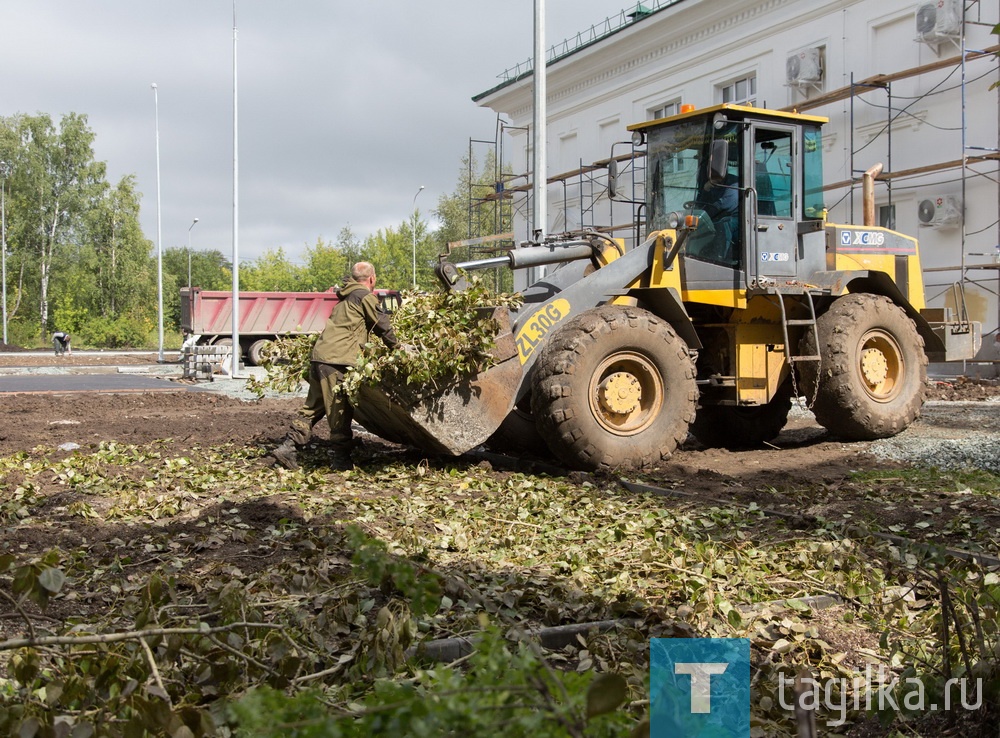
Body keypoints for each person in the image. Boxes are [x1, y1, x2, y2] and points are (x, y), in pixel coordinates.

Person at [270, 262, 398, 471]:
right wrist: (398, 348)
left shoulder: (346, 296)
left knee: (313, 408)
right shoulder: (364, 295)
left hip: (321, 358)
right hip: (337, 361)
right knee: (339, 410)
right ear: (372, 279)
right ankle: (341, 460)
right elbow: (381, 324)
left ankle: (288, 447)